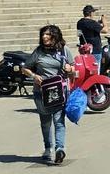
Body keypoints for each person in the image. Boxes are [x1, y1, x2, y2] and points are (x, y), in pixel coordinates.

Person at [21, 25, 75, 164]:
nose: (44, 37)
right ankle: (48, 148)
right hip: (41, 92)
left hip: (59, 92)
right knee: (45, 123)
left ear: (55, 36)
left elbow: (74, 69)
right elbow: (25, 68)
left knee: (59, 121)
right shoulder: (38, 52)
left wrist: (70, 68)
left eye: (47, 34)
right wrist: (34, 76)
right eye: (43, 34)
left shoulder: (64, 50)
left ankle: (59, 149)